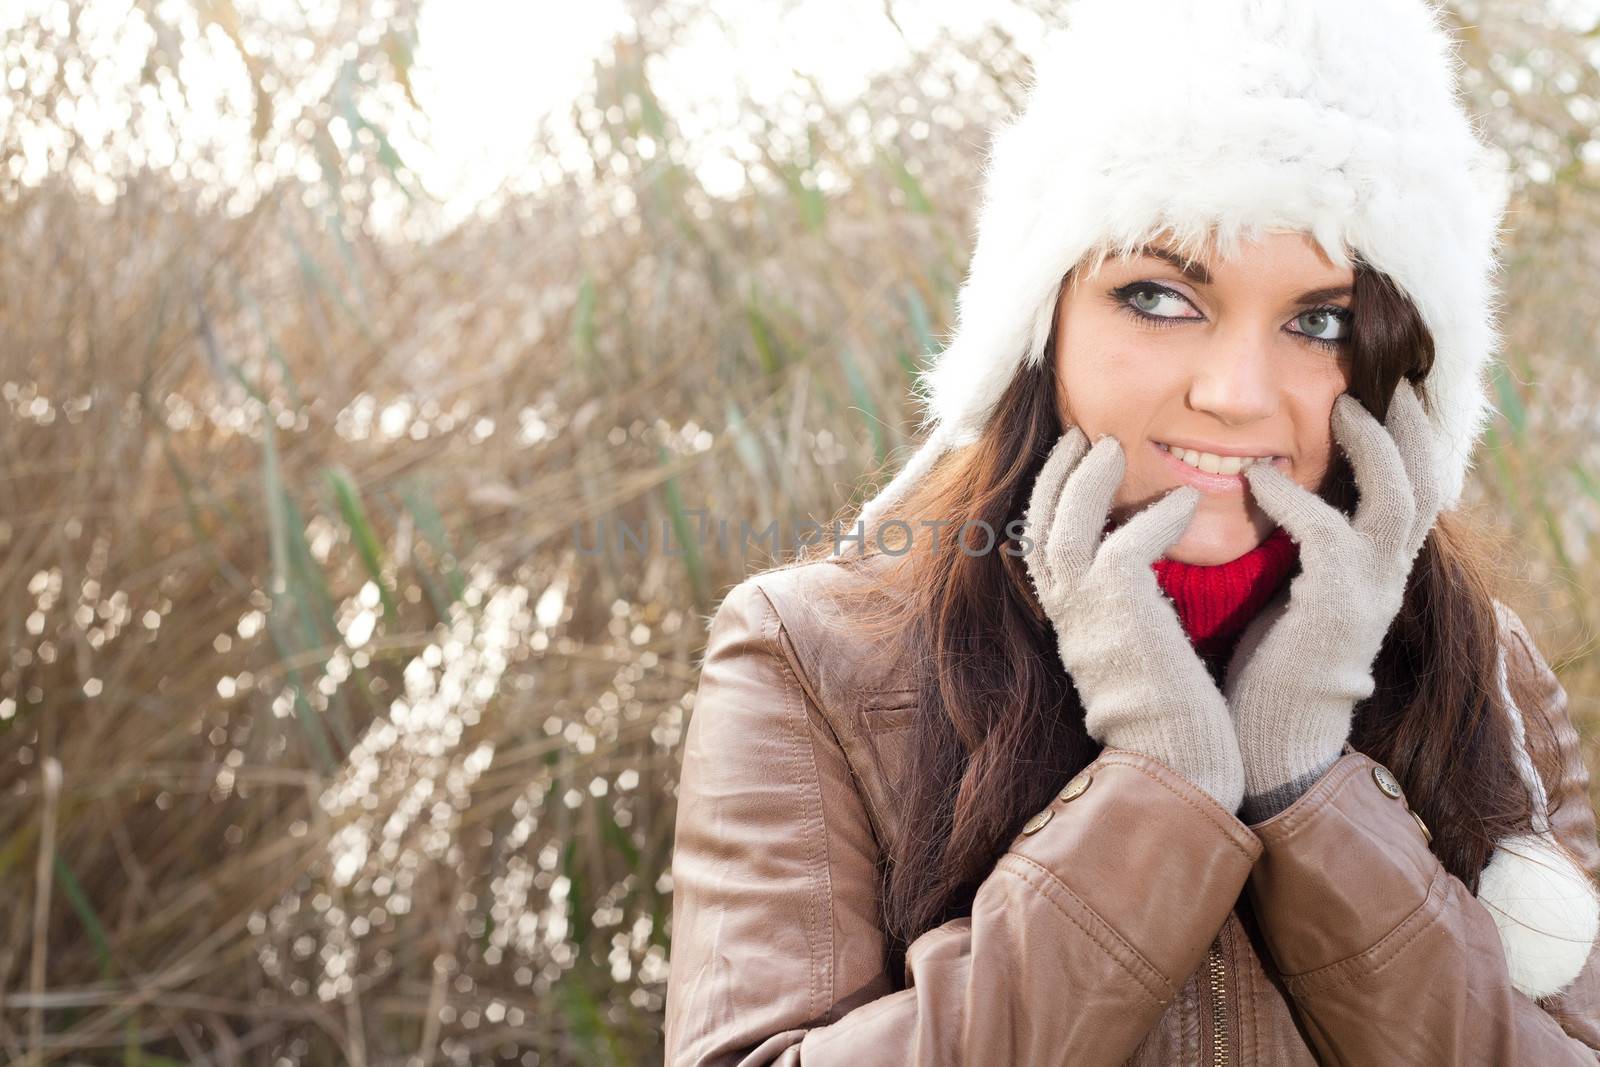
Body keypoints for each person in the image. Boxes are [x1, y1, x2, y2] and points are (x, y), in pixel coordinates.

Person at [662, 0, 1600, 1063]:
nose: (1235, 393)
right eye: (1157, 296)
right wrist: (1158, 788)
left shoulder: (1485, 669)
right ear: (1039, 318)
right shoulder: (815, 656)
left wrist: (1309, 784)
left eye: (1320, 321)